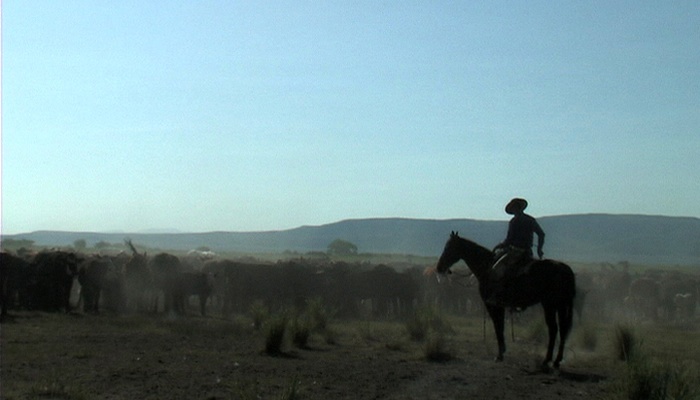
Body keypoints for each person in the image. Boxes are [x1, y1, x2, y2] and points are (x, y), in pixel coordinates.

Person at [487, 198, 545, 306]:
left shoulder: (514, 221)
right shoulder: (531, 220)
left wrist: (499, 245)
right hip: (528, 252)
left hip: (515, 252)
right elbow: (541, 234)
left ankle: (497, 296)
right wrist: (539, 249)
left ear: (515, 209)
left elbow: (509, 240)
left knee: (496, 270)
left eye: (514, 208)